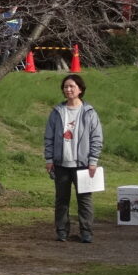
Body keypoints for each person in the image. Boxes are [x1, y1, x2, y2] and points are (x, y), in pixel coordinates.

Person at [44, 73, 103, 243]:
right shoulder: (57, 112)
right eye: (65, 86)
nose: (68, 89)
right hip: (61, 164)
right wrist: (49, 159)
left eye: (72, 86)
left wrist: (93, 161)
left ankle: (86, 232)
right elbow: (49, 137)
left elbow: (96, 138)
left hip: (83, 165)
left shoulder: (89, 112)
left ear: (80, 89)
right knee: (62, 199)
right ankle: (62, 231)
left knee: (84, 200)